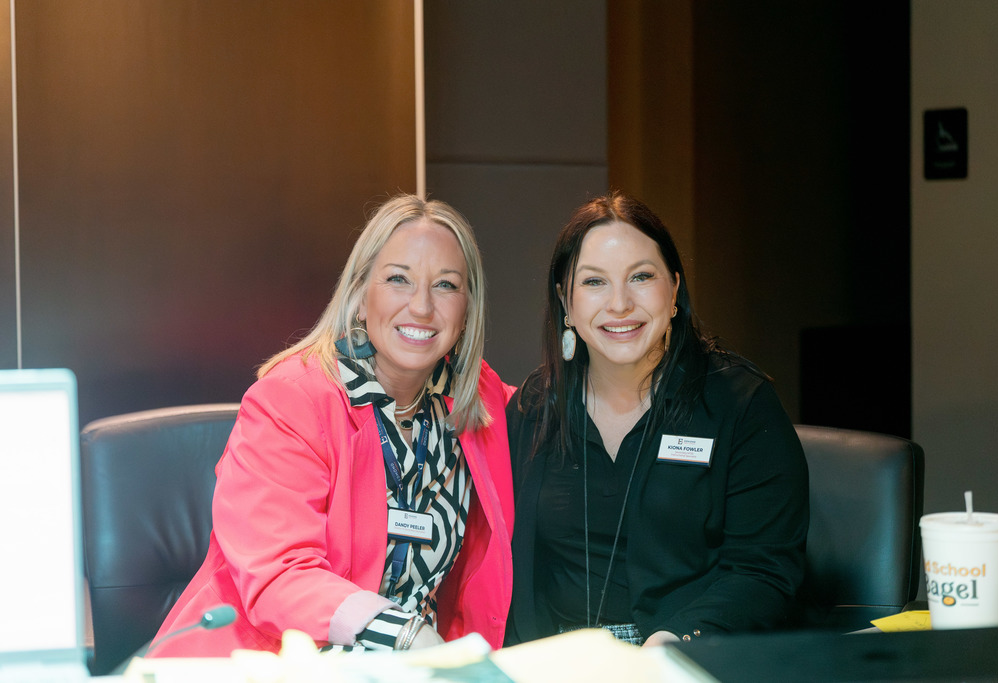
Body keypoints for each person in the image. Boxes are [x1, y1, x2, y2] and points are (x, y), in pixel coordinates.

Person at [149, 194, 514, 657]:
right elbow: (280, 575)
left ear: (467, 312)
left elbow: (573, 411)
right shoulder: (291, 401)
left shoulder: (477, 403)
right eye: (398, 279)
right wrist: (404, 635)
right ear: (361, 297)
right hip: (270, 662)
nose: (421, 306)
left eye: (445, 285)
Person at [505, 192, 808, 647]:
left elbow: (763, 571)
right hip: (554, 663)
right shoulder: (534, 407)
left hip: (685, 659)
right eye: (594, 283)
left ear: (674, 292)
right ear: (565, 303)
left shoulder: (740, 404)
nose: (620, 303)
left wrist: (674, 642)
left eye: (641, 277)